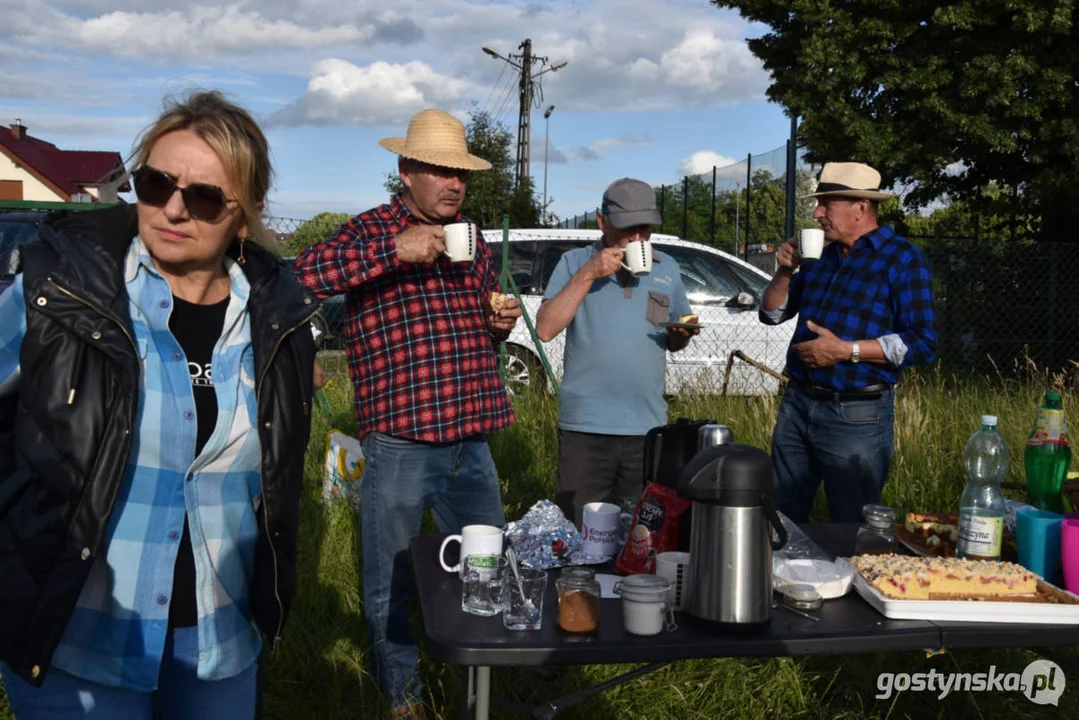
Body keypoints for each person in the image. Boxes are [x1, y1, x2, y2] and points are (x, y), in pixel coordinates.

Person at [0, 91, 319, 719]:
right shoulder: (56, 291)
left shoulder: (278, 322)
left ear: (243, 218)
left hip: (219, 641)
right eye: (155, 183)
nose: (173, 208)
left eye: (202, 197)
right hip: (78, 637)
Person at [292, 108, 521, 718]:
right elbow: (299, 279)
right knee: (388, 581)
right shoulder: (368, 231)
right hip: (400, 444)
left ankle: (480, 687)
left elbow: (482, 322)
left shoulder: (471, 240)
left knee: (485, 572)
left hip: (470, 441)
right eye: (441, 172)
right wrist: (395, 250)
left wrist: (497, 324)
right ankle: (403, 698)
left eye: (461, 175)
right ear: (406, 171)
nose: (454, 185)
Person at [760, 162, 937, 523]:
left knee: (852, 525)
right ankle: (780, 580)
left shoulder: (902, 258)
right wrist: (783, 271)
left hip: (857, 414)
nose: (817, 212)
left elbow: (922, 342)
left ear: (861, 207)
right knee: (780, 519)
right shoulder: (819, 257)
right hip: (798, 403)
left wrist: (847, 351)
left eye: (828, 203)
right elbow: (772, 314)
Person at [535, 178, 698, 528]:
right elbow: (546, 328)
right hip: (586, 429)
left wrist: (681, 335)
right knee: (579, 535)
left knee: (641, 538)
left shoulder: (666, 267)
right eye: (629, 228)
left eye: (646, 228)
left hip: (647, 428)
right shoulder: (574, 262)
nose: (639, 238)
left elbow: (674, 336)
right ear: (602, 221)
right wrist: (590, 273)